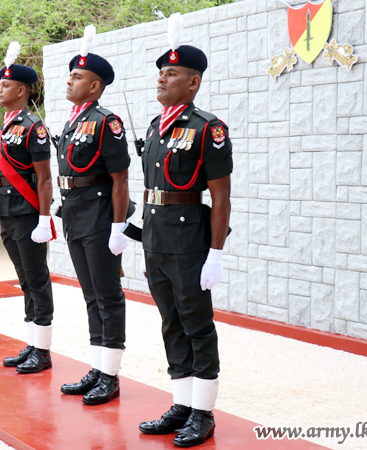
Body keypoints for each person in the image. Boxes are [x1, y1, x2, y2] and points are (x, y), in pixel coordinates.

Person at [137, 37, 232, 448]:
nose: (162, 78)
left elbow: (221, 197)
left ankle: (203, 413)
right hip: (157, 239)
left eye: (172, 73)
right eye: (161, 72)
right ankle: (182, 403)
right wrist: (141, 236)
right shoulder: (155, 127)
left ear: (193, 82)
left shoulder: (207, 128)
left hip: (189, 240)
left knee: (196, 323)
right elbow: (153, 191)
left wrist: (215, 254)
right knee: (171, 323)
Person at [55, 25, 131, 406]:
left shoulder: (106, 122)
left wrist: (118, 226)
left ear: (95, 86)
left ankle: (111, 376)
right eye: (70, 75)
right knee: (90, 295)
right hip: (75, 214)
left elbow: (120, 180)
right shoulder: (72, 121)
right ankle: (98, 367)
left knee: (107, 295)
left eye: (78, 76)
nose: (70, 81)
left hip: (100, 215)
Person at [0, 42, 55, 374]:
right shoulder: (6, 125)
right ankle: (32, 343)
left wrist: (44, 218)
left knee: (37, 279)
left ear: (21, 91)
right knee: (25, 280)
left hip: (28, 213)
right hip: (7, 211)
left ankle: (42, 351)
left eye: (5, 85)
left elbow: (44, 177)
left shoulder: (33, 126)